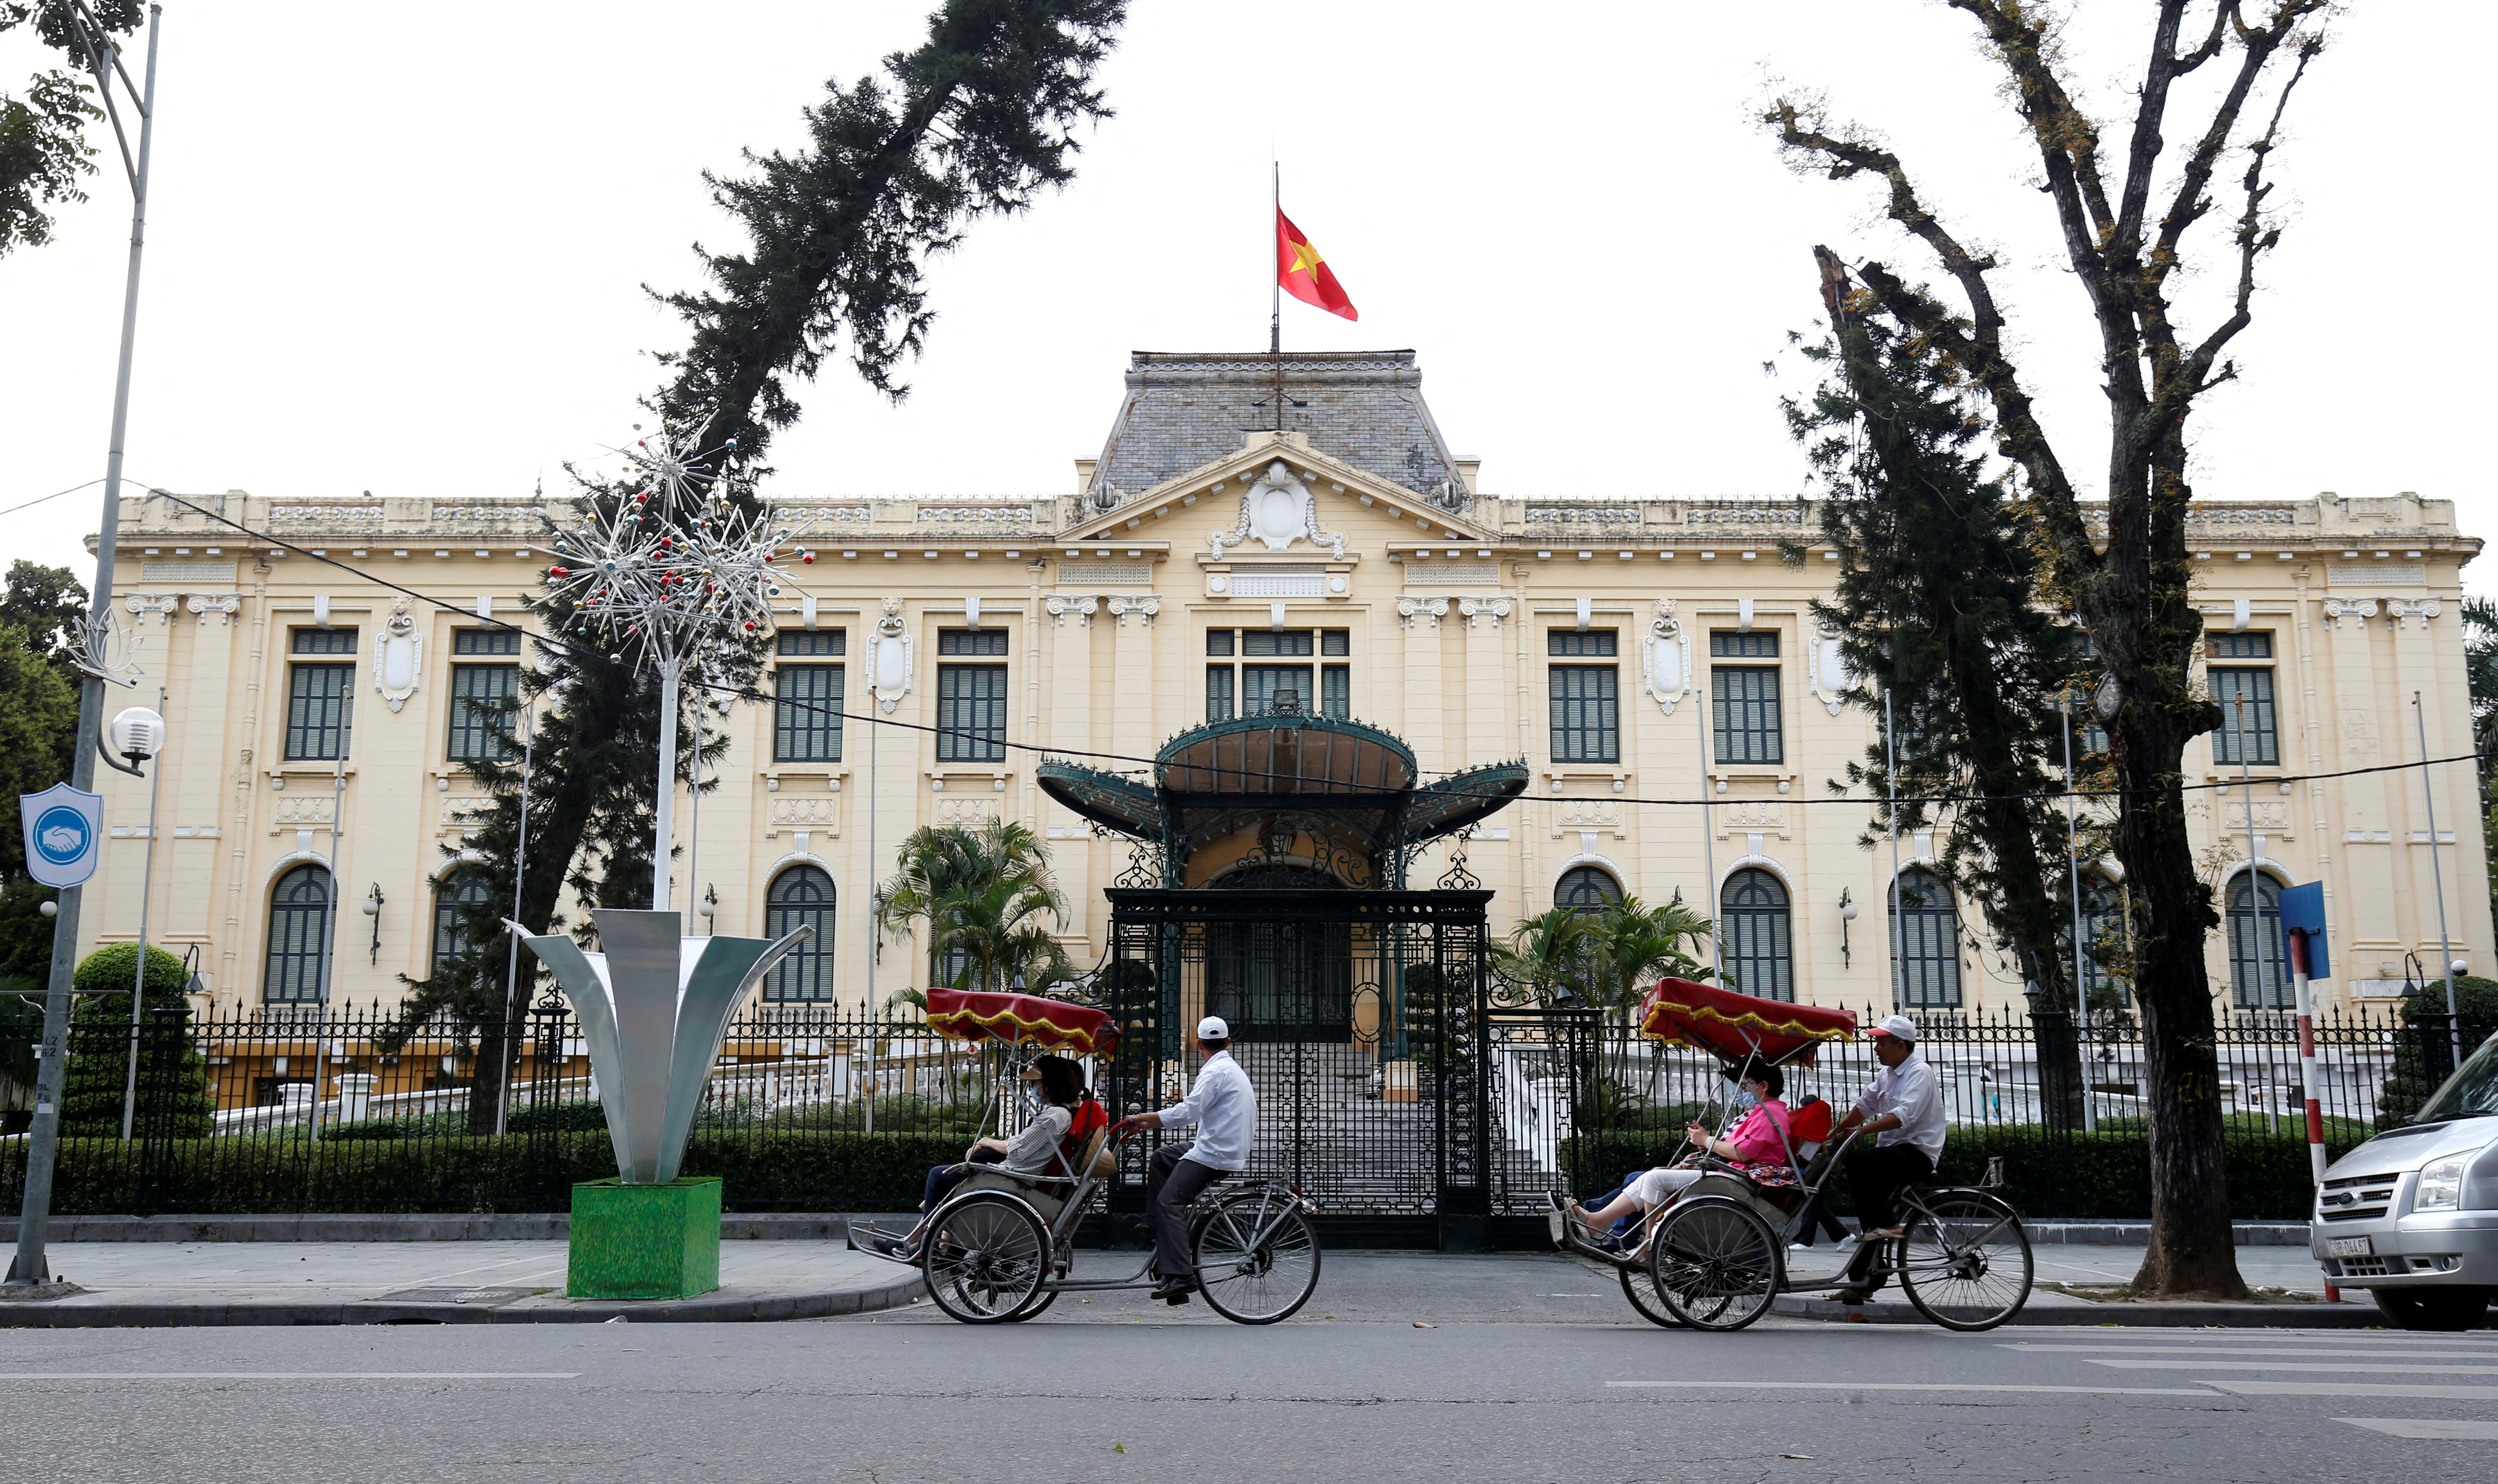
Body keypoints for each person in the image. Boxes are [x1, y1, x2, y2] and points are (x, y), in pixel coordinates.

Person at [1553, 1065, 1791, 1254]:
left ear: (1764, 1086)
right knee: (1648, 1177)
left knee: (1655, 1178)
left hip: (1740, 1181)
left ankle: (1649, 1243)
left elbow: (1742, 1154)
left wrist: (1706, 1140)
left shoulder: (1771, 1114)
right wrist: (1700, 1153)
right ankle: (1596, 1221)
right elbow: (1733, 1150)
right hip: (1728, 1174)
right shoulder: (1758, 1113)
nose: (1740, 1091)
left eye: (1745, 1086)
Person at [877, 1054, 1085, 1258]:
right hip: (1013, 1174)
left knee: (939, 1176)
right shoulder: (1057, 1113)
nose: (1034, 1088)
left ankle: (925, 1241)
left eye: (1037, 1083)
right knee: (950, 1180)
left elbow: (1019, 1148)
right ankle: (926, 1242)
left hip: (1014, 1177)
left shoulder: (1057, 1115)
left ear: (1049, 1085)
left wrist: (986, 1141)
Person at [1113, 1015, 1256, 1304]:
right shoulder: (1229, 1068)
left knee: (1170, 1203)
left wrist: (1144, 1119)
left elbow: (1187, 1113)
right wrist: (1149, 1123)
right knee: (1163, 1157)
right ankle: (1158, 1227)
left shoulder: (1214, 1072)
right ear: (1228, 1042)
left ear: (1199, 1043)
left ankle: (1181, 1275)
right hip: (1222, 1146)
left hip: (1214, 1153)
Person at [1830, 1014, 1946, 1302]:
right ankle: (1862, 1284)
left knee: (1860, 1163)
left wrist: (1859, 1133)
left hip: (1916, 1152)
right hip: (1892, 1154)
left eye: (1882, 1042)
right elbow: (1865, 1105)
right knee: (1872, 1222)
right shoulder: (1887, 1074)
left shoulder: (1919, 1072)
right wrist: (1836, 1134)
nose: (1876, 1047)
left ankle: (1892, 1226)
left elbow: (1902, 1116)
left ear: (1902, 1045)